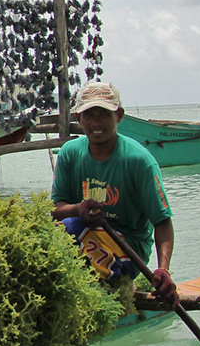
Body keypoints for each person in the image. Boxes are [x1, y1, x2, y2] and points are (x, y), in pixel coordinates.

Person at [51, 82, 177, 303]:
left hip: (129, 248)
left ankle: (113, 288)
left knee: (72, 228)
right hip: (84, 235)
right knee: (55, 231)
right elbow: (56, 209)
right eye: (89, 116)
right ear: (78, 119)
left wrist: (163, 270)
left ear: (118, 116)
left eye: (104, 115)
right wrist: (78, 208)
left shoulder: (139, 161)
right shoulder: (69, 153)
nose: (96, 123)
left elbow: (162, 222)